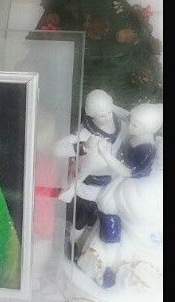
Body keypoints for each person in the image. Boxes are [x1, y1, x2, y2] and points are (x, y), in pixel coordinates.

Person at [77, 104, 163, 288]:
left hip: (132, 184)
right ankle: (108, 245)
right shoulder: (137, 135)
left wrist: (106, 155)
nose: (130, 126)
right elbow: (125, 114)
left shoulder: (146, 149)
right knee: (106, 204)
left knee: (107, 202)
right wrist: (111, 107)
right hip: (123, 179)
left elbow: (127, 172)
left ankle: (112, 246)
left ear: (148, 129)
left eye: (135, 125)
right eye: (131, 121)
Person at [56, 90, 128, 256]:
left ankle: (101, 251)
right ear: (91, 114)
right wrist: (83, 147)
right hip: (89, 186)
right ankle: (73, 243)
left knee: (106, 221)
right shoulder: (85, 133)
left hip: (113, 184)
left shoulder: (120, 124)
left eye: (109, 112)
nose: (108, 117)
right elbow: (58, 149)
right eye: (102, 115)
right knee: (81, 220)